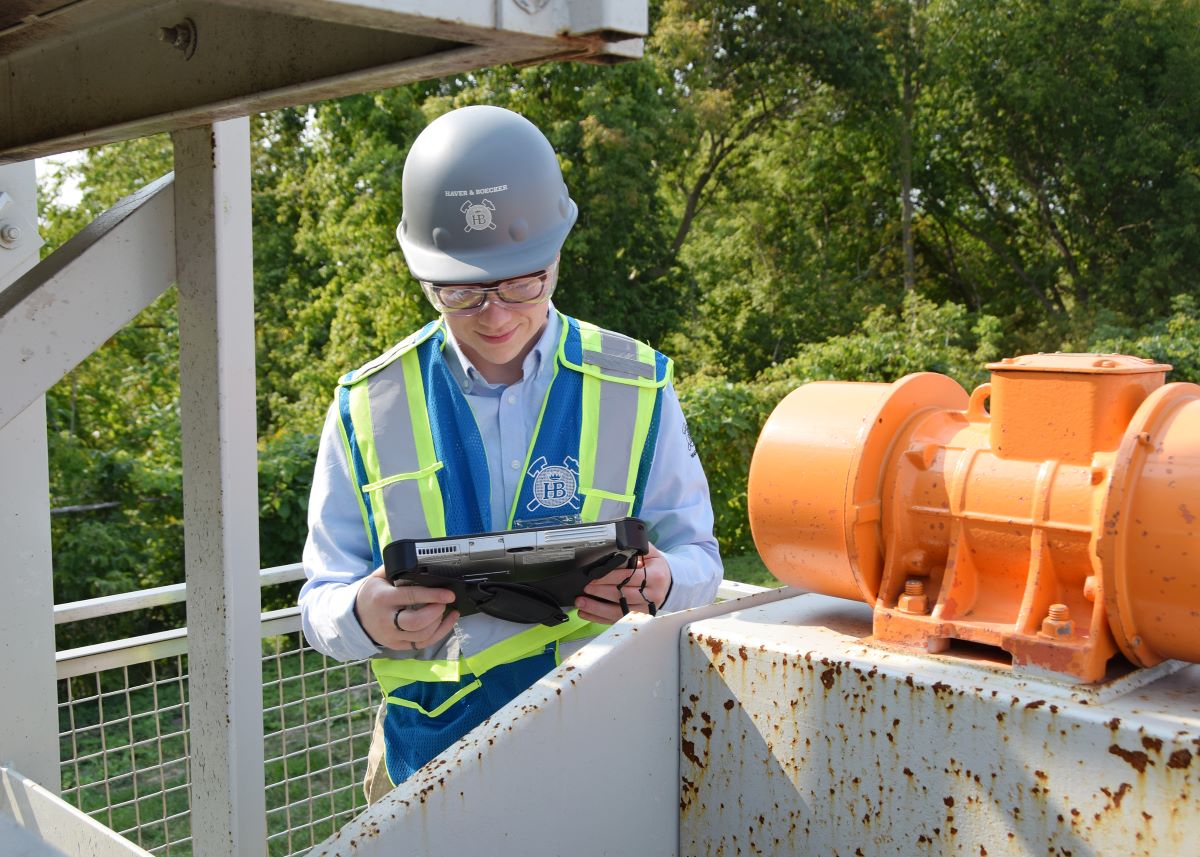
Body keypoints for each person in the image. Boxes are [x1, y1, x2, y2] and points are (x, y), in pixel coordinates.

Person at [299, 104, 722, 802]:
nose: (494, 314)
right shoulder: (367, 405)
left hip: (599, 756)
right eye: (459, 292)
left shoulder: (636, 384)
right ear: (422, 273)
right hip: (427, 772)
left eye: (523, 282)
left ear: (557, 253)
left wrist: (662, 580)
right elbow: (321, 598)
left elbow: (699, 556)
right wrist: (362, 616)